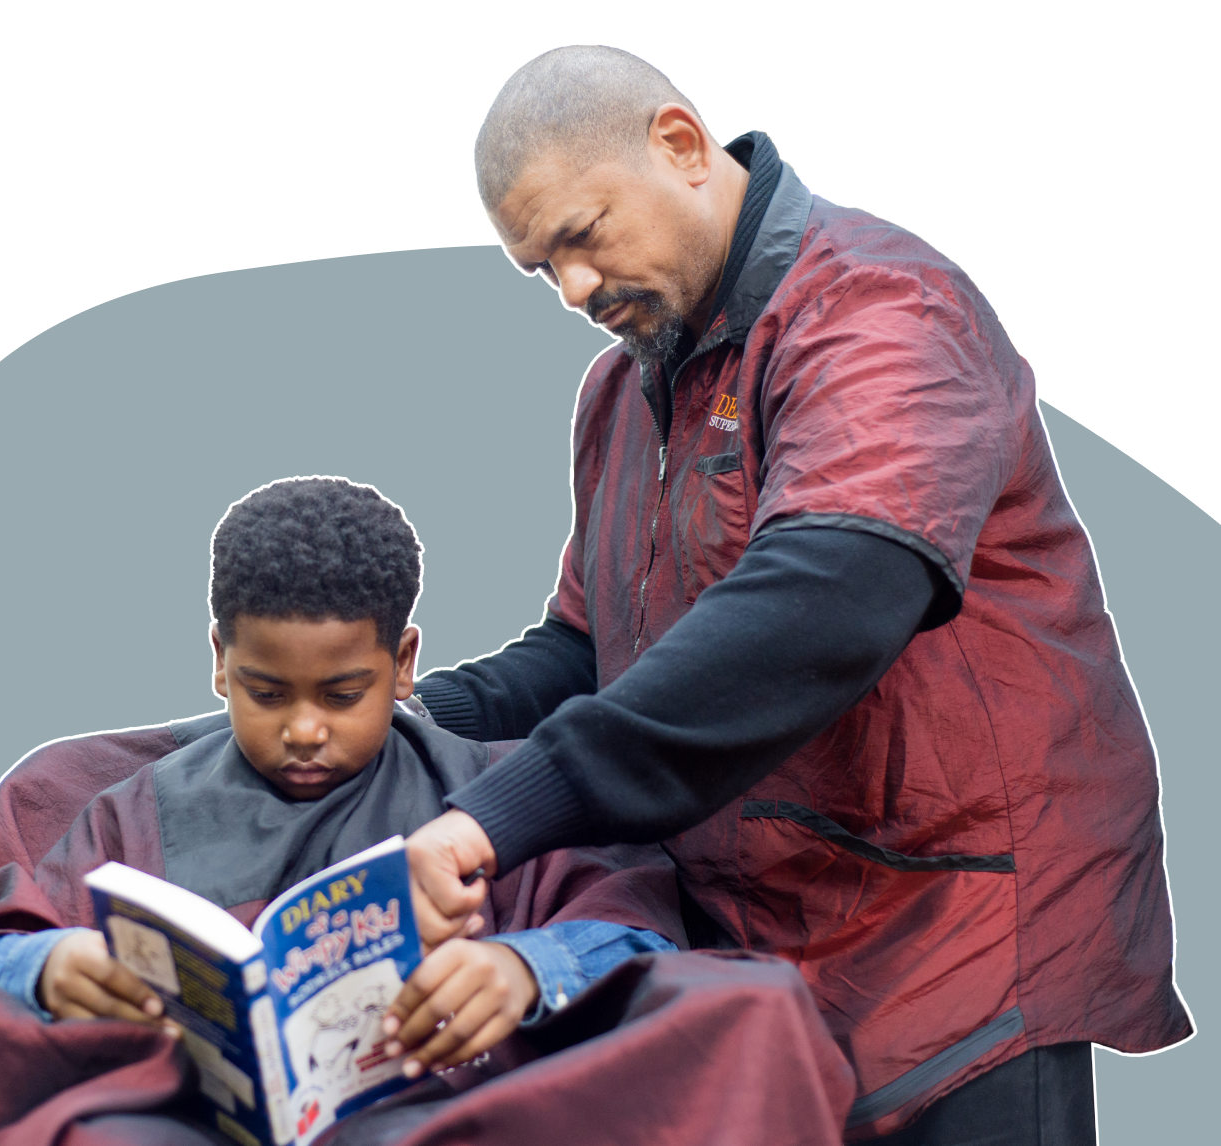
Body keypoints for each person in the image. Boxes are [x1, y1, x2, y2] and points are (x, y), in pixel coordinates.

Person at [398, 42, 1193, 1144]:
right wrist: (401, 726)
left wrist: (498, 814)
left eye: (580, 238)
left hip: (954, 931)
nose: (574, 291)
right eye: (543, 272)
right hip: (757, 940)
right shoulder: (619, 393)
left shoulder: (881, 307)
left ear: (679, 144)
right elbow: (589, 649)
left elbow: (828, 599)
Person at [0, 476, 687, 1131]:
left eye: (344, 694)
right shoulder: (119, 812)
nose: (305, 729)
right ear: (221, 661)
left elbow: (641, 937)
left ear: (404, 663)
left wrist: (525, 966)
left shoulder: (495, 800)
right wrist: (45, 964)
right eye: (267, 693)